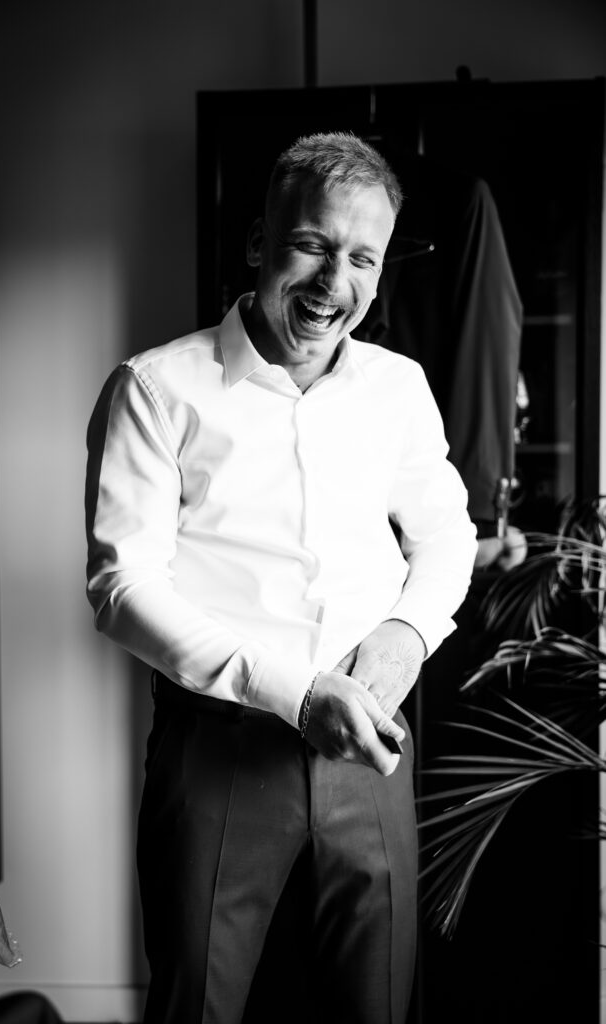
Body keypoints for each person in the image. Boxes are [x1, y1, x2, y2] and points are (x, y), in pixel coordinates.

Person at [85, 132, 478, 1024]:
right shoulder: (155, 388)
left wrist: (406, 633)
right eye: (311, 244)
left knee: (378, 1008)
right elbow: (122, 587)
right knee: (198, 1007)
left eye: (362, 258)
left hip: (371, 748)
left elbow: (447, 534)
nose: (334, 281)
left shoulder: (399, 387)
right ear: (259, 243)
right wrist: (296, 694)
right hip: (216, 752)